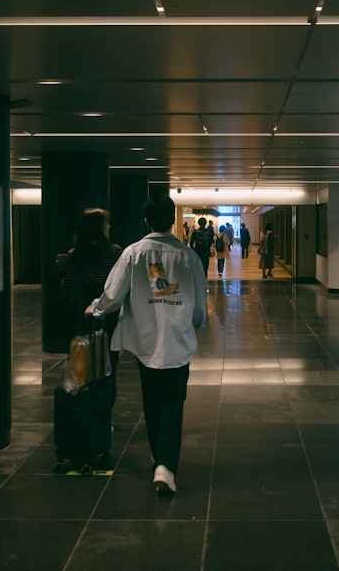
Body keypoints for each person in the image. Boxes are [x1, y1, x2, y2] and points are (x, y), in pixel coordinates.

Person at [87, 196, 208, 494]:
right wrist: (197, 322)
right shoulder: (188, 256)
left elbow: (113, 293)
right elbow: (199, 300)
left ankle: (159, 458)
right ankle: (165, 466)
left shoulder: (133, 253)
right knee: (173, 401)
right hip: (178, 339)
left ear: (147, 221)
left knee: (152, 399)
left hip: (146, 339)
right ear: (172, 219)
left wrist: (96, 309)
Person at [57, 208, 123, 408]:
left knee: (85, 360)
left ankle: (85, 407)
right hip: (110, 312)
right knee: (109, 362)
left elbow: (68, 286)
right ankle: (104, 412)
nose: (108, 227)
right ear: (100, 228)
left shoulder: (75, 255)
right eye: (106, 223)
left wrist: (62, 270)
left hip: (86, 313)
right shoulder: (114, 252)